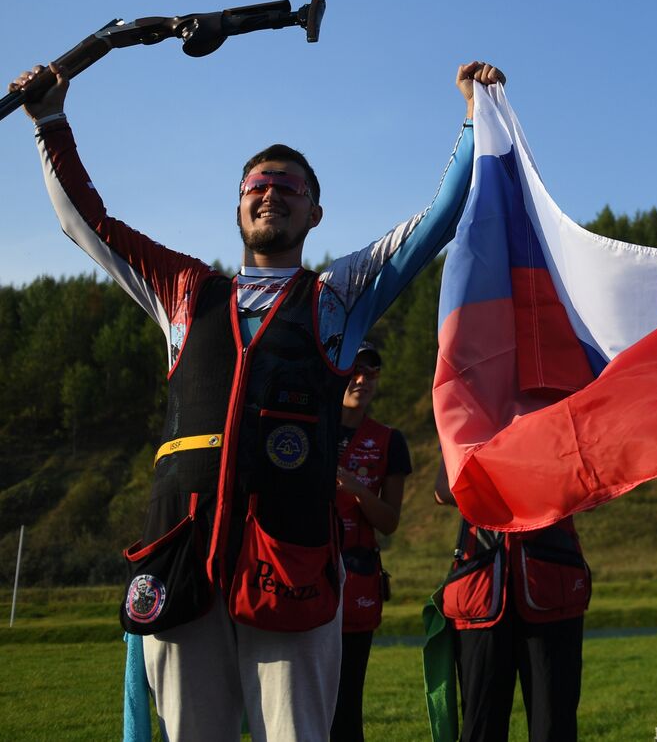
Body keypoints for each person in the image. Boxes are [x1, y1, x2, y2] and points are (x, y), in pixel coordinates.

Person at [10, 59, 504, 741]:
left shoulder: (337, 294)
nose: (272, 194)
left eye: (290, 188)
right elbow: (87, 224)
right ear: (238, 204)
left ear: (315, 211)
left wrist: (474, 114)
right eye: (258, 185)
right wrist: (51, 122)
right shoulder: (184, 290)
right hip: (184, 568)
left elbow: (439, 219)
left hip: (291, 569)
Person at [433, 461, 590, 742]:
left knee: (554, 727)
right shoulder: (468, 419)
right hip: (481, 592)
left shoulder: (557, 417)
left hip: (551, 588)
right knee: (481, 727)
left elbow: (590, 487)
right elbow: (443, 489)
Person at [331, 342, 413, 742]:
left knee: (347, 703)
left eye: (371, 373)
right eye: (354, 370)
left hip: (359, 583)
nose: (362, 380)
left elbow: (390, 522)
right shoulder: (306, 431)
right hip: (306, 576)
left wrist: (357, 488)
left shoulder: (389, 440)